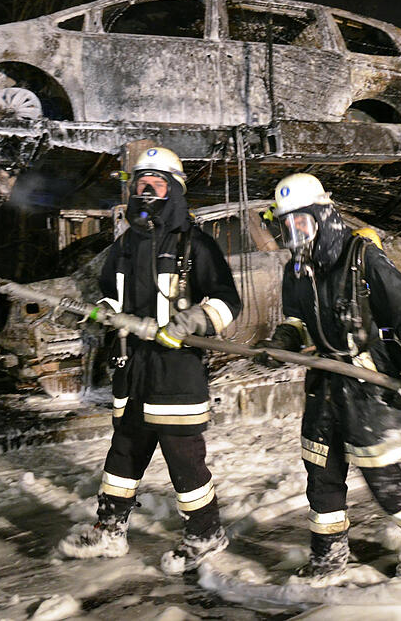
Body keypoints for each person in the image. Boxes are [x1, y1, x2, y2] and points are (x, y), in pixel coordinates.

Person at [59, 145, 242, 574]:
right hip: (132, 366)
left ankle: (206, 533)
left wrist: (194, 319)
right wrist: (104, 311)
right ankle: (108, 530)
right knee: (123, 451)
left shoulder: (194, 244)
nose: (146, 190)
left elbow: (229, 301)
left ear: (174, 190)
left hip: (176, 370)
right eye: (141, 183)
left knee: (183, 456)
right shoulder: (124, 245)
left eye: (157, 183)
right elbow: (105, 291)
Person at [255, 173, 401, 583]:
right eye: (287, 227)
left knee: (381, 476)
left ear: (324, 217)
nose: (295, 235)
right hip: (325, 383)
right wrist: (287, 337)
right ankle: (328, 556)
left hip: (368, 384)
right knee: (321, 472)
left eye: (302, 224)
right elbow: (298, 318)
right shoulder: (297, 270)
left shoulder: (363, 258)